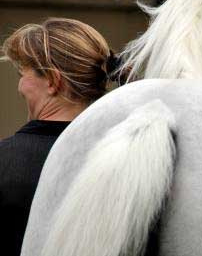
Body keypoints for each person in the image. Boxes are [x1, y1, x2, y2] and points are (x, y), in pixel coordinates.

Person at [0, 18, 118, 256]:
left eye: (23, 74)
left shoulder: (5, 161)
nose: (20, 87)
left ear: (53, 81)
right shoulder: (127, 161)